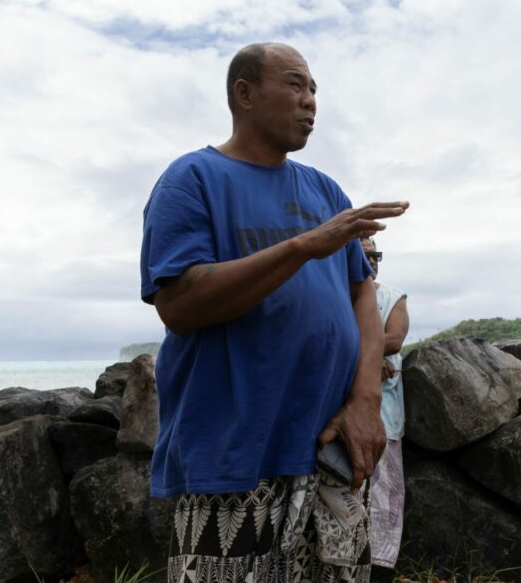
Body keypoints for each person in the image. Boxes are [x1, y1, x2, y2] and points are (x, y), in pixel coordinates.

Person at [140, 42, 408, 582]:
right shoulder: (192, 179)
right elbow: (180, 305)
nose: (310, 100)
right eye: (294, 84)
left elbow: (362, 294)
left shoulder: (325, 190)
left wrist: (364, 401)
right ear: (244, 94)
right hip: (232, 461)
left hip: (329, 452)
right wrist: (302, 247)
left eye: (314, 89)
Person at [359, 236, 409, 569]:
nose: (372, 260)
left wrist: (364, 351)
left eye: (376, 254)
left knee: (384, 493)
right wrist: (369, 357)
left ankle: (376, 565)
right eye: (364, 254)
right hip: (339, 414)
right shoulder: (333, 297)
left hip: (384, 415)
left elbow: (395, 338)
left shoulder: (392, 297)